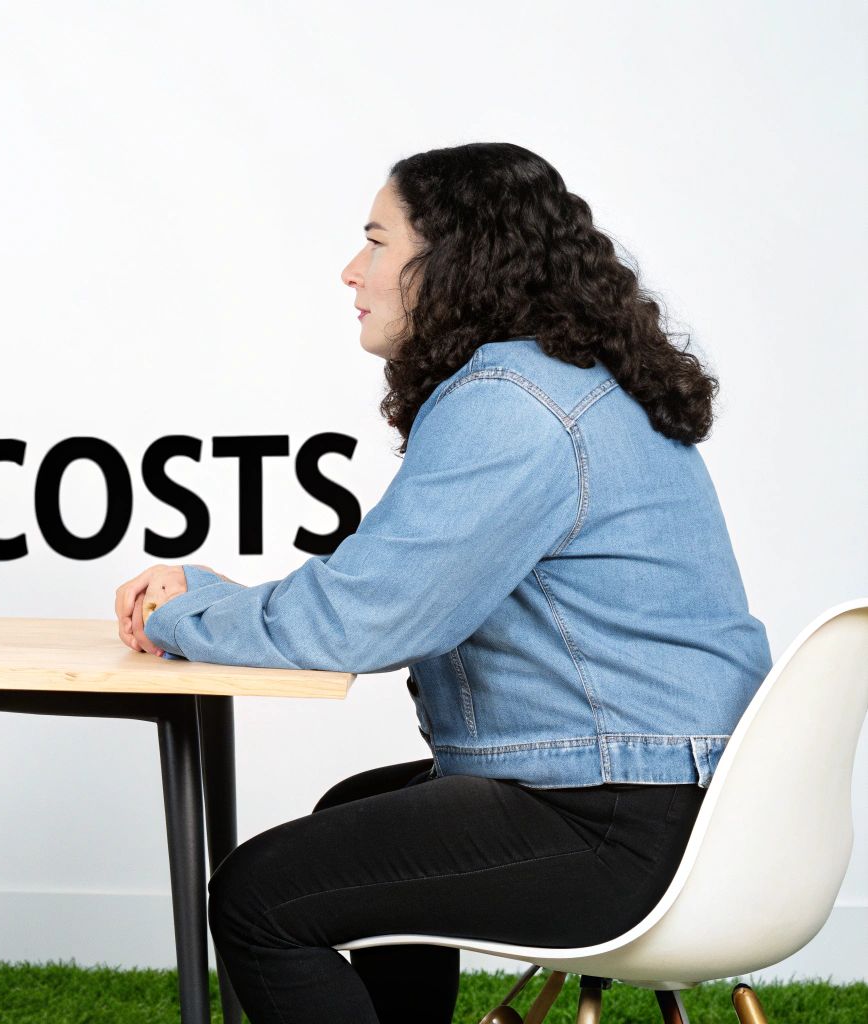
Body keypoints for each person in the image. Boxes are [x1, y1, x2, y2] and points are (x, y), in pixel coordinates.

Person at [112, 142, 773, 1023]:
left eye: (377, 242)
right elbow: (386, 585)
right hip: (692, 802)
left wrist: (187, 615)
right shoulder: (570, 383)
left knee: (258, 898)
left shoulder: (513, 402)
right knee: (359, 812)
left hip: (624, 824)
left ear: (456, 258)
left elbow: (362, 619)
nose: (353, 271)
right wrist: (210, 599)